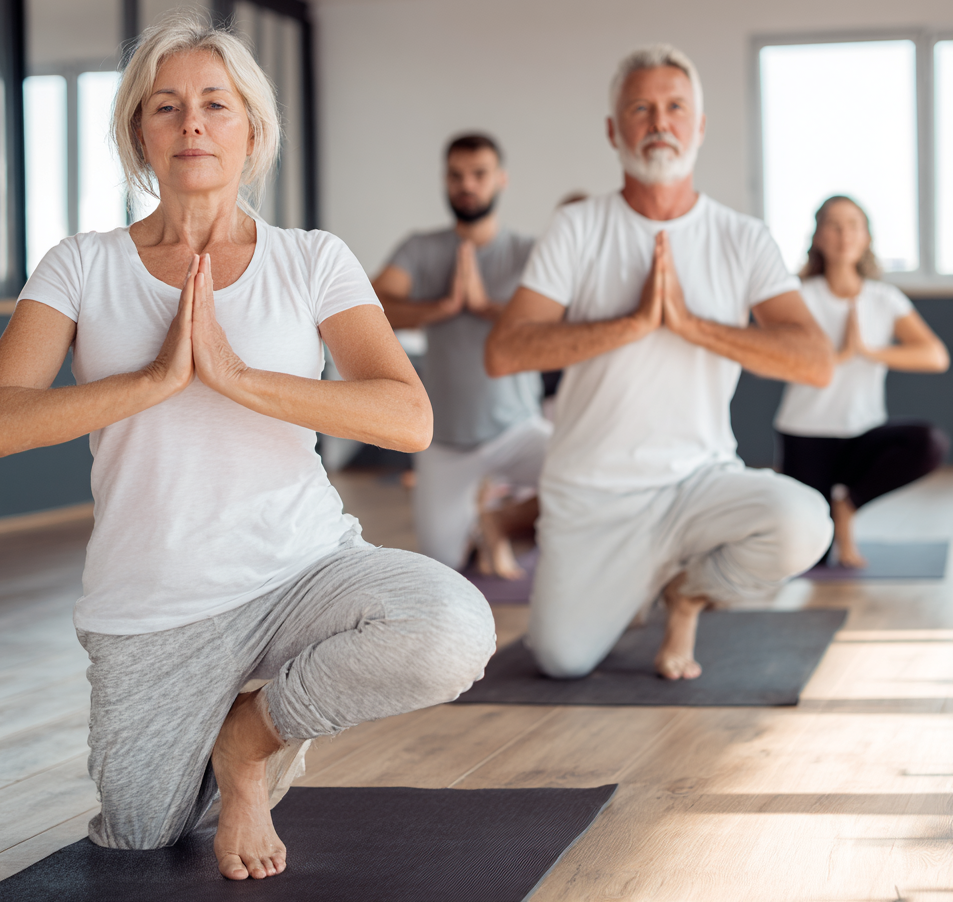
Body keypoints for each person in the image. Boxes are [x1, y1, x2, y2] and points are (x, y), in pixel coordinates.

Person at [0, 13, 495, 881]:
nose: (192, 123)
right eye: (166, 106)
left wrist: (236, 376)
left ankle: (248, 740)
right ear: (139, 132)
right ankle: (224, 733)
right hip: (151, 609)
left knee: (450, 628)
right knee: (138, 838)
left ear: (253, 129)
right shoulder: (81, 265)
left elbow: (408, 417)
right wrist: (153, 381)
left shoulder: (313, 259)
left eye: (216, 103)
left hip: (301, 573)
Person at [485, 44, 835, 682]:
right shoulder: (577, 228)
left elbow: (815, 361)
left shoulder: (743, 237)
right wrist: (633, 324)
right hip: (593, 494)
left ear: (699, 127)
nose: (659, 122)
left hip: (699, 482)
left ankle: (687, 592)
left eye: (676, 108)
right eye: (641, 108)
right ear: (614, 130)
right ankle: (638, 580)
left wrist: (692, 325)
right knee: (562, 660)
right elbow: (506, 350)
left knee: (804, 522)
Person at [372, 133, 551, 579]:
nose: (466, 185)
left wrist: (485, 305)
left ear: (501, 180)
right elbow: (371, 306)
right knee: (440, 567)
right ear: (445, 181)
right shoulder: (421, 248)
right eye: (456, 175)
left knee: (586, 474)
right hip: (445, 440)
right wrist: (441, 308)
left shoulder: (528, 252)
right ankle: (474, 532)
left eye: (479, 174)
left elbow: (551, 323)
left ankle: (499, 520)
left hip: (517, 428)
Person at [774, 195, 949, 566]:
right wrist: (836, 357)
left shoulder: (884, 299)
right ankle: (831, 527)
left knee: (928, 443)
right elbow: (773, 361)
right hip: (806, 435)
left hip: (861, 433)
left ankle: (847, 508)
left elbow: (935, 356)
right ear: (818, 237)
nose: (844, 234)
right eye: (834, 226)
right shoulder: (798, 297)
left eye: (853, 225)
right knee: (815, 558)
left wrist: (866, 351)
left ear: (866, 237)